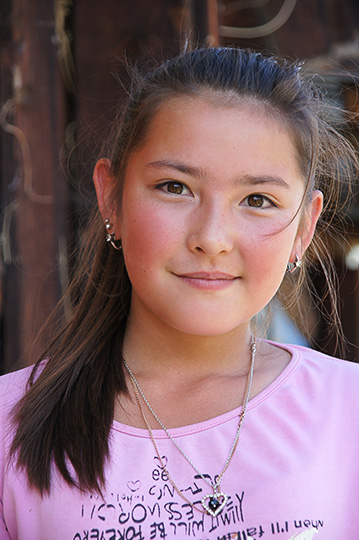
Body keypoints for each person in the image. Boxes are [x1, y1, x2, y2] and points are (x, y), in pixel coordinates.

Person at [0, 47, 358, 540]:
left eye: (258, 200)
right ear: (112, 197)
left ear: (305, 226)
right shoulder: (10, 426)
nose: (211, 237)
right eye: (175, 187)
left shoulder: (349, 411)